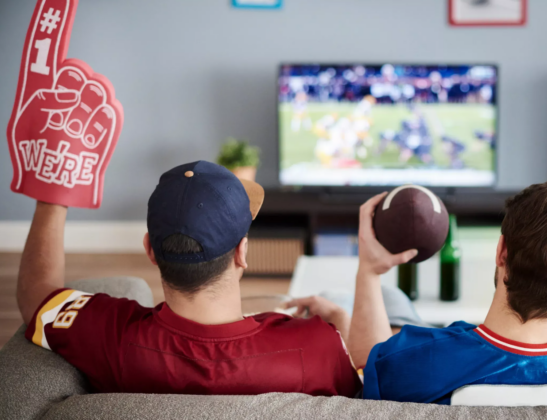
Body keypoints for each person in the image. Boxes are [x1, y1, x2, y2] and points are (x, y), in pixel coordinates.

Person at [291, 179, 547, 404]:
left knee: (392, 300)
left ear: (501, 254)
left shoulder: (415, 361)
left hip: (448, 354)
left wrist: (368, 274)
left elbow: (367, 360)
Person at [18, 160, 361, 396]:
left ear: (150, 250)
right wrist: (341, 324)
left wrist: (52, 199)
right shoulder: (317, 344)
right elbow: (362, 396)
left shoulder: (107, 334)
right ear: (242, 252)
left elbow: (36, 295)